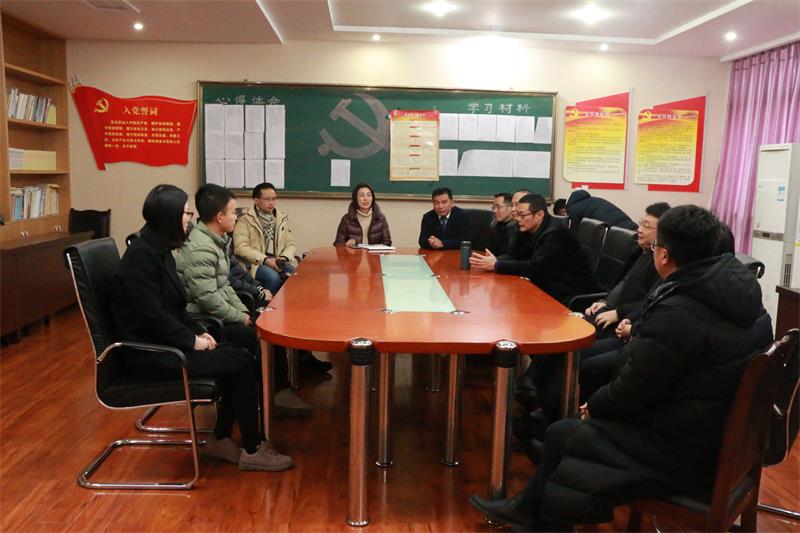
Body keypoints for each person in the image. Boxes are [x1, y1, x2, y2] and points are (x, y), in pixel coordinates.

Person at [469, 205, 773, 530]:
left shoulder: (682, 309)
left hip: (684, 453)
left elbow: (637, 387)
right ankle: (533, 515)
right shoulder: (742, 295)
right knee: (571, 427)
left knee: (564, 432)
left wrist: (595, 407)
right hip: (719, 440)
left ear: (664, 255)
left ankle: (539, 518)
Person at [110, 184, 293, 471]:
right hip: (152, 353)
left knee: (239, 355)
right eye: (186, 213)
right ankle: (252, 448)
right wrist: (191, 340)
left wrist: (197, 331)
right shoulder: (141, 257)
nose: (190, 219)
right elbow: (152, 317)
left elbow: (175, 308)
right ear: (169, 216)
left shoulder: (159, 249)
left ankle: (223, 438)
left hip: (167, 342)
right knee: (241, 361)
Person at [176, 184, 315, 415]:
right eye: (232, 212)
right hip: (206, 322)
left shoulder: (216, 239)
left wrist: (242, 312)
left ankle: (275, 389)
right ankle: (274, 395)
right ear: (220, 217)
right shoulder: (201, 248)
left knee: (267, 324)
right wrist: (238, 316)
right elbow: (207, 297)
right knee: (264, 336)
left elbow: (225, 285)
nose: (236, 217)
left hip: (219, 313)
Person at [470, 193, 597, 304]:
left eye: (522, 215)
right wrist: (495, 260)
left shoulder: (555, 233)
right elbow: (514, 255)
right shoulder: (526, 228)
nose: (518, 219)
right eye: (517, 214)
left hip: (569, 291)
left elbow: (534, 268)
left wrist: (497, 265)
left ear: (540, 214)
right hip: (546, 285)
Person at [234, 182, 298, 296]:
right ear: (256, 200)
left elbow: (290, 244)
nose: (272, 203)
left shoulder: (280, 219)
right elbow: (241, 247)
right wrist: (265, 260)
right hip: (255, 263)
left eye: (274, 199)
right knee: (273, 278)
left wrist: (283, 258)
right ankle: (266, 305)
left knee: (295, 275)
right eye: (267, 199)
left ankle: (288, 305)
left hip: (277, 260)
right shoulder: (245, 220)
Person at [334, 182, 392, 247]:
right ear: (355, 199)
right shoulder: (346, 219)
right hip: (354, 253)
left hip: (374, 253)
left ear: (372, 198)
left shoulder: (381, 218)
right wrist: (346, 244)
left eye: (369, 195)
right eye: (362, 195)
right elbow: (338, 244)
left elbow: (387, 243)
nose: (366, 198)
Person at [565, 189, 637, 231]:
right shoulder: (594, 200)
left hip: (616, 229)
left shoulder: (573, 209)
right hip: (630, 226)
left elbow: (574, 232)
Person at [487, 192, 516, 256]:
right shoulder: (494, 226)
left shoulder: (517, 229)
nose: (495, 211)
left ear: (511, 207)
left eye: (498, 207)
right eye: (493, 207)